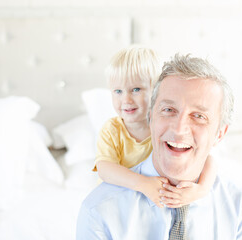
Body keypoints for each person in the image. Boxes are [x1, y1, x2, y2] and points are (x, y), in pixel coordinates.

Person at [77, 53, 242, 239]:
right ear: (151, 118)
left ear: (220, 134)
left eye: (199, 116)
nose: (179, 130)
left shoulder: (236, 204)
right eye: (169, 110)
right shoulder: (99, 212)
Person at [93, 46, 217, 208]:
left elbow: (208, 158)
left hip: (155, 199)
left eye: (136, 89)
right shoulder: (112, 130)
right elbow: (105, 169)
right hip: (119, 200)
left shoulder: (165, 128)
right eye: (118, 91)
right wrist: (143, 184)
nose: (126, 99)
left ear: (157, 93)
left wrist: (201, 190)